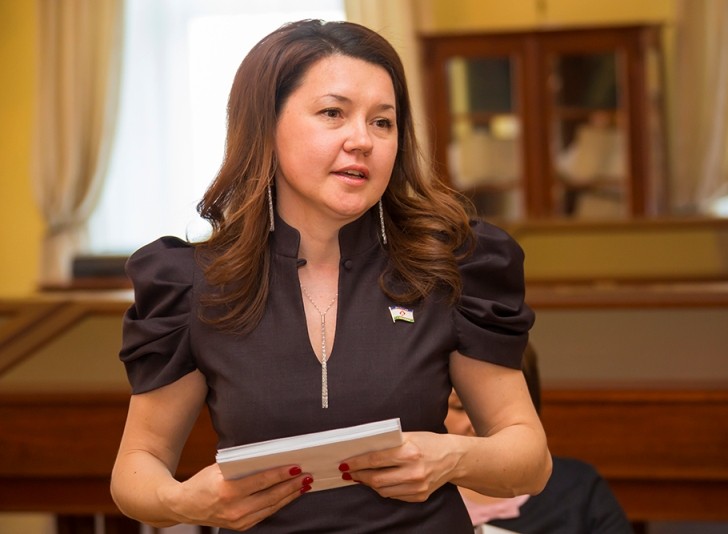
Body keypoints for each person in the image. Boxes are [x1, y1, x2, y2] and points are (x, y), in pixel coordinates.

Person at [110, 19, 551, 533]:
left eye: (382, 122)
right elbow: (136, 468)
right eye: (333, 113)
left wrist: (451, 457)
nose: (362, 140)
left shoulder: (448, 267)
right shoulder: (193, 284)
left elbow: (530, 460)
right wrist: (186, 501)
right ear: (266, 126)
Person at [445, 345, 633, 534]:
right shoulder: (427, 492)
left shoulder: (578, 487)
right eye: (460, 407)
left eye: (497, 410)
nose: (476, 425)